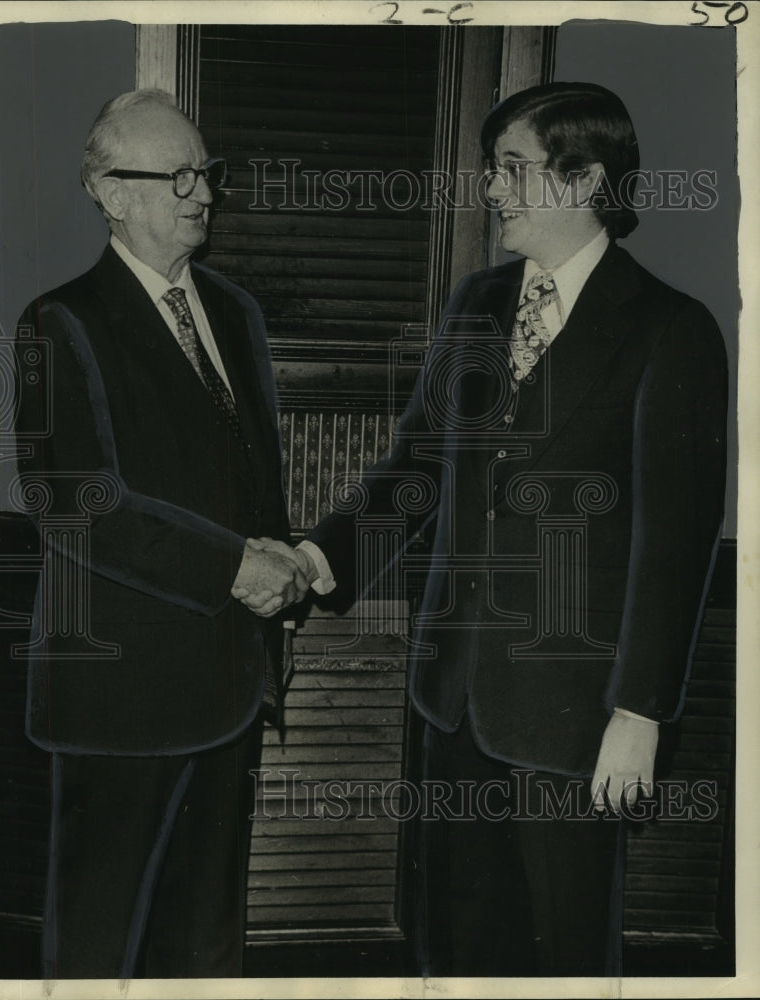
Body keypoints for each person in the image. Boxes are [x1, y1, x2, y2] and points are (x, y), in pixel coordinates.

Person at [239, 82, 728, 975]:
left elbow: (676, 544)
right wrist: (314, 557)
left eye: (510, 169)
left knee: (564, 955)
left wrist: (639, 713)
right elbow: (419, 468)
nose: (491, 191)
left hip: (579, 719)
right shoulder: (476, 302)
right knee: (456, 951)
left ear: (581, 179)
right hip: (450, 698)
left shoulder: (671, 330)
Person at [13, 89, 309, 978]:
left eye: (205, 172)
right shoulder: (58, 321)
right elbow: (71, 497)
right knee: (99, 946)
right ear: (110, 193)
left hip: (229, 686)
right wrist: (234, 569)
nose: (202, 193)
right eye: (176, 174)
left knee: (207, 942)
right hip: (117, 701)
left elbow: (259, 482)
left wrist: (281, 583)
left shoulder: (237, 312)